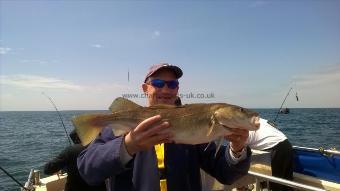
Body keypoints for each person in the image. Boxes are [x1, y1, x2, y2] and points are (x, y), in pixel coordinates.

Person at [77, 63, 252, 191]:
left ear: (177, 89)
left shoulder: (194, 128)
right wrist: (128, 145)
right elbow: (87, 170)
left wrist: (237, 150)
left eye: (172, 84)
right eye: (159, 84)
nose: (166, 90)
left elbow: (226, 174)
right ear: (145, 88)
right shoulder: (119, 127)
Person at [246, 118, 294, 191]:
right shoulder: (258, 119)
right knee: (287, 182)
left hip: (275, 148)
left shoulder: (243, 128)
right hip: (287, 144)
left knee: (275, 183)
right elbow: (273, 125)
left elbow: (239, 148)